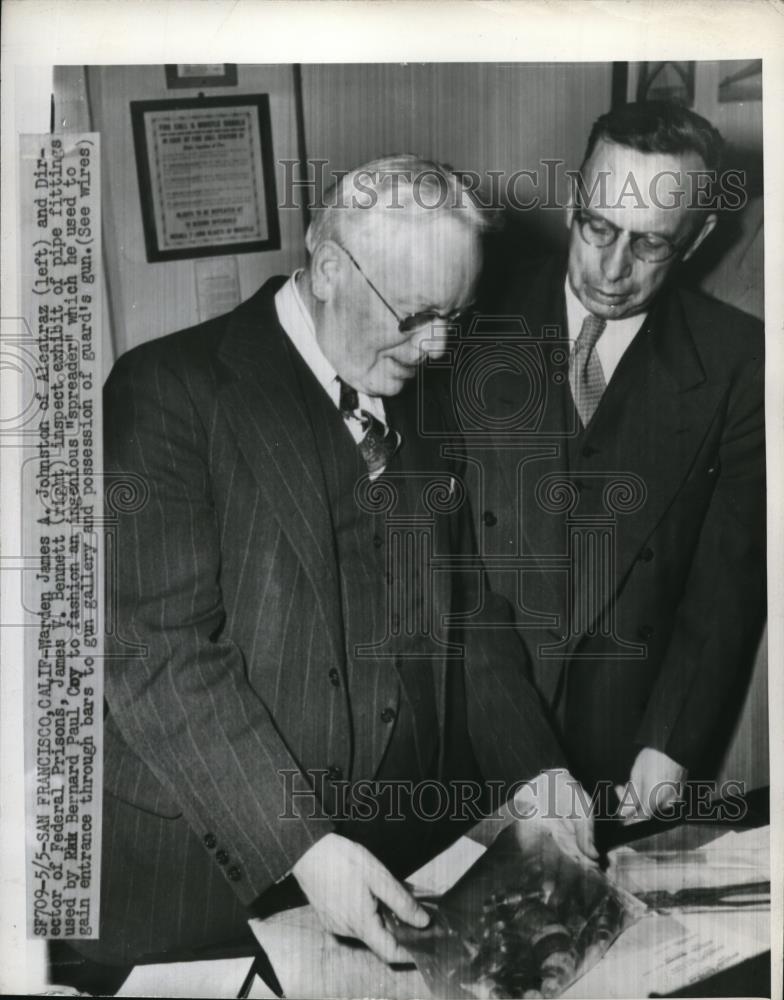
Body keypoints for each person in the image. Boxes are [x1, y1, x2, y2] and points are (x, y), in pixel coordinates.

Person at [76, 156, 595, 974]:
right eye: (417, 312)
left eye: (455, 316)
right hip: (197, 887)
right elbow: (160, 655)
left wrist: (538, 770)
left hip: (392, 855)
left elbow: (467, 614)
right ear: (327, 267)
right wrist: (304, 847)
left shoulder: (417, 391)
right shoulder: (166, 391)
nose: (435, 346)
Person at [462, 103, 765, 825]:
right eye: (598, 226)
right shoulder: (465, 319)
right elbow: (444, 572)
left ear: (697, 239)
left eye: (651, 244)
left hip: (626, 762)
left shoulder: (740, 363)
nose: (613, 267)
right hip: (463, 739)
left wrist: (671, 746)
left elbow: (728, 576)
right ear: (573, 200)